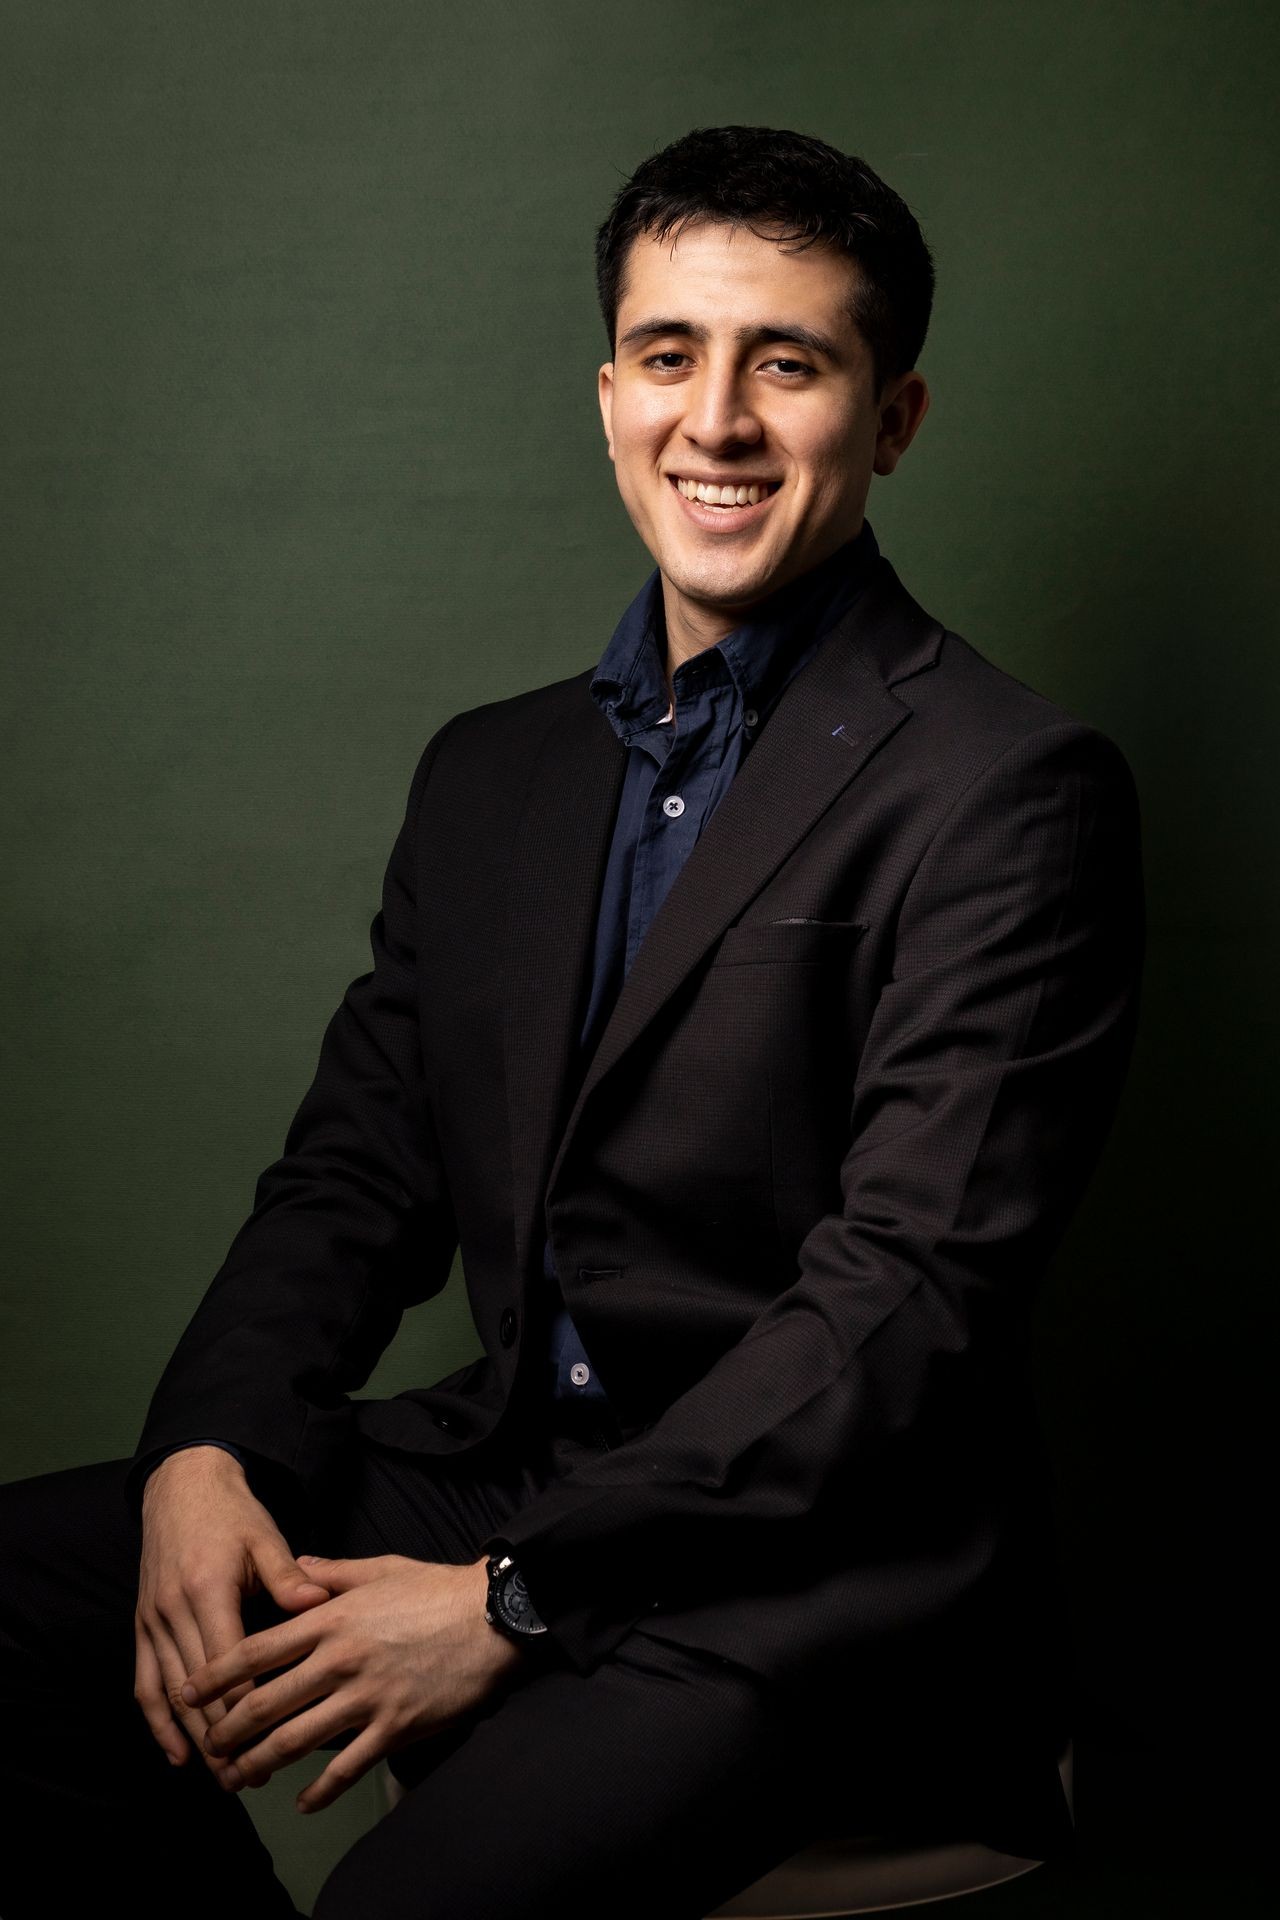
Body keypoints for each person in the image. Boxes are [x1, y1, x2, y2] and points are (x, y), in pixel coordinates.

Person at [0, 124, 1144, 1919]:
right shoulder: (493, 776)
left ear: (893, 416)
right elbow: (351, 1180)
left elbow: (904, 1306)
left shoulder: (1011, 788)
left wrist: (520, 1595)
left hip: (810, 1578)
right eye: (672, 355)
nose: (719, 420)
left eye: (790, 361)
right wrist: (205, 1452)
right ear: (610, 395)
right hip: (511, 1467)